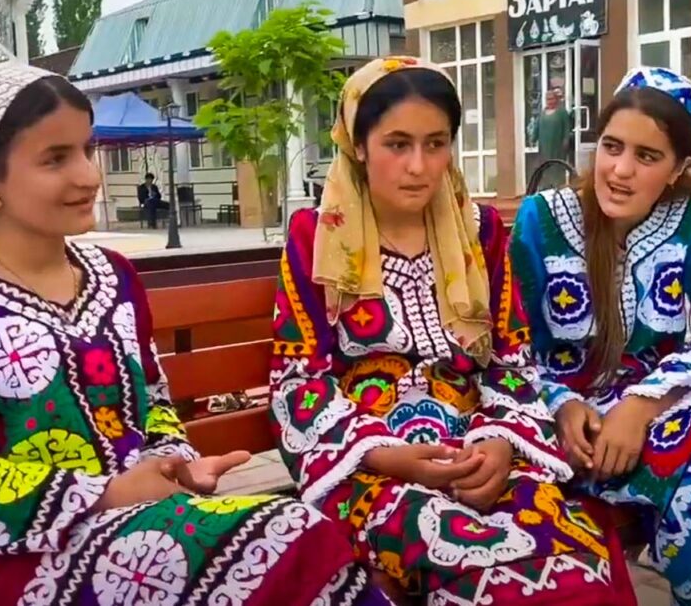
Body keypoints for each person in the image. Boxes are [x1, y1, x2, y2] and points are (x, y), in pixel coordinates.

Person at [0, 64, 393, 606]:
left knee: (303, 551)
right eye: (55, 159)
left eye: (87, 150)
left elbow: (152, 400)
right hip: (27, 559)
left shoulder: (112, 275)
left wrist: (174, 462)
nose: (88, 176)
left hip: (153, 521)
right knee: (289, 531)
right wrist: (106, 493)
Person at [270, 57, 637, 605]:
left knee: (575, 557)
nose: (419, 166)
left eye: (436, 143)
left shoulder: (479, 232)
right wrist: (383, 453)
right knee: (475, 569)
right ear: (358, 145)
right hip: (370, 468)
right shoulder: (317, 237)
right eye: (397, 144)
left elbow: (511, 360)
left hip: (477, 451)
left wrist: (498, 442)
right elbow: (297, 381)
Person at [509, 67, 691, 606]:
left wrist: (645, 402)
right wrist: (562, 404)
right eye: (611, 146)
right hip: (569, 433)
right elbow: (509, 348)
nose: (620, 170)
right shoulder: (539, 221)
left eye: (646, 157)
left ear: (676, 170)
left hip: (655, 419)